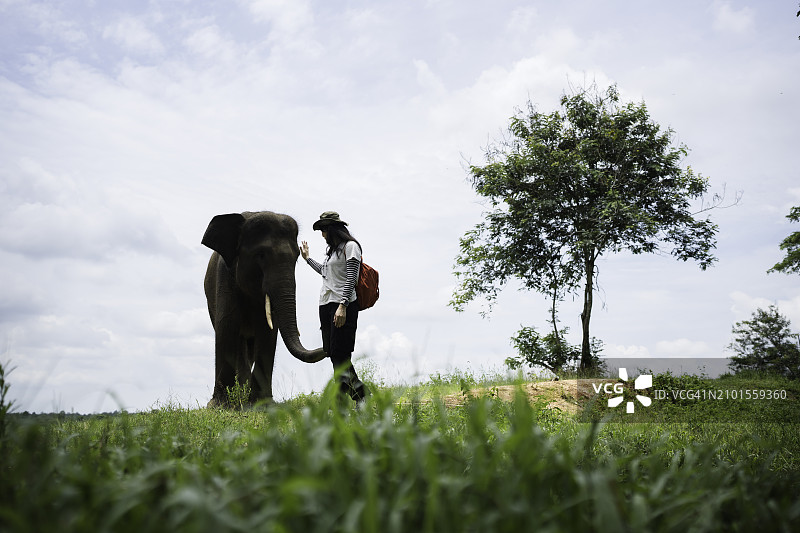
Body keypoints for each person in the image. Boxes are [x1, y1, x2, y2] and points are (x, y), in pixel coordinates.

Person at [301, 211, 368, 404]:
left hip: (342, 305)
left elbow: (352, 277)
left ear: (332, 229)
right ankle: (357, 398)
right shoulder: (333, 252)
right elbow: (325, 272)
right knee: (334, 355)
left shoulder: (351, 247)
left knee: (341, 355)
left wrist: (343, 305)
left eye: (323, 230)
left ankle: (349, 400)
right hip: (326, 305)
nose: (322, 235)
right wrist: (307, 259)